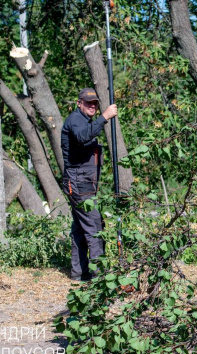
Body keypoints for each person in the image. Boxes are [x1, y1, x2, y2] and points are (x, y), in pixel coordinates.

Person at [61, 88, 118, 281]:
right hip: (78, 182)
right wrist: (105, 117)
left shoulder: (83, 120)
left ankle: (79, 272)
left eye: (95, 103)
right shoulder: (76, 120)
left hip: (81, 182)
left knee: (80, 227)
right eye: (88, 103)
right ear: (79, 103)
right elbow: (82, 137)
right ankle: (99, 276)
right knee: (93, 225)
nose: (92, 106)